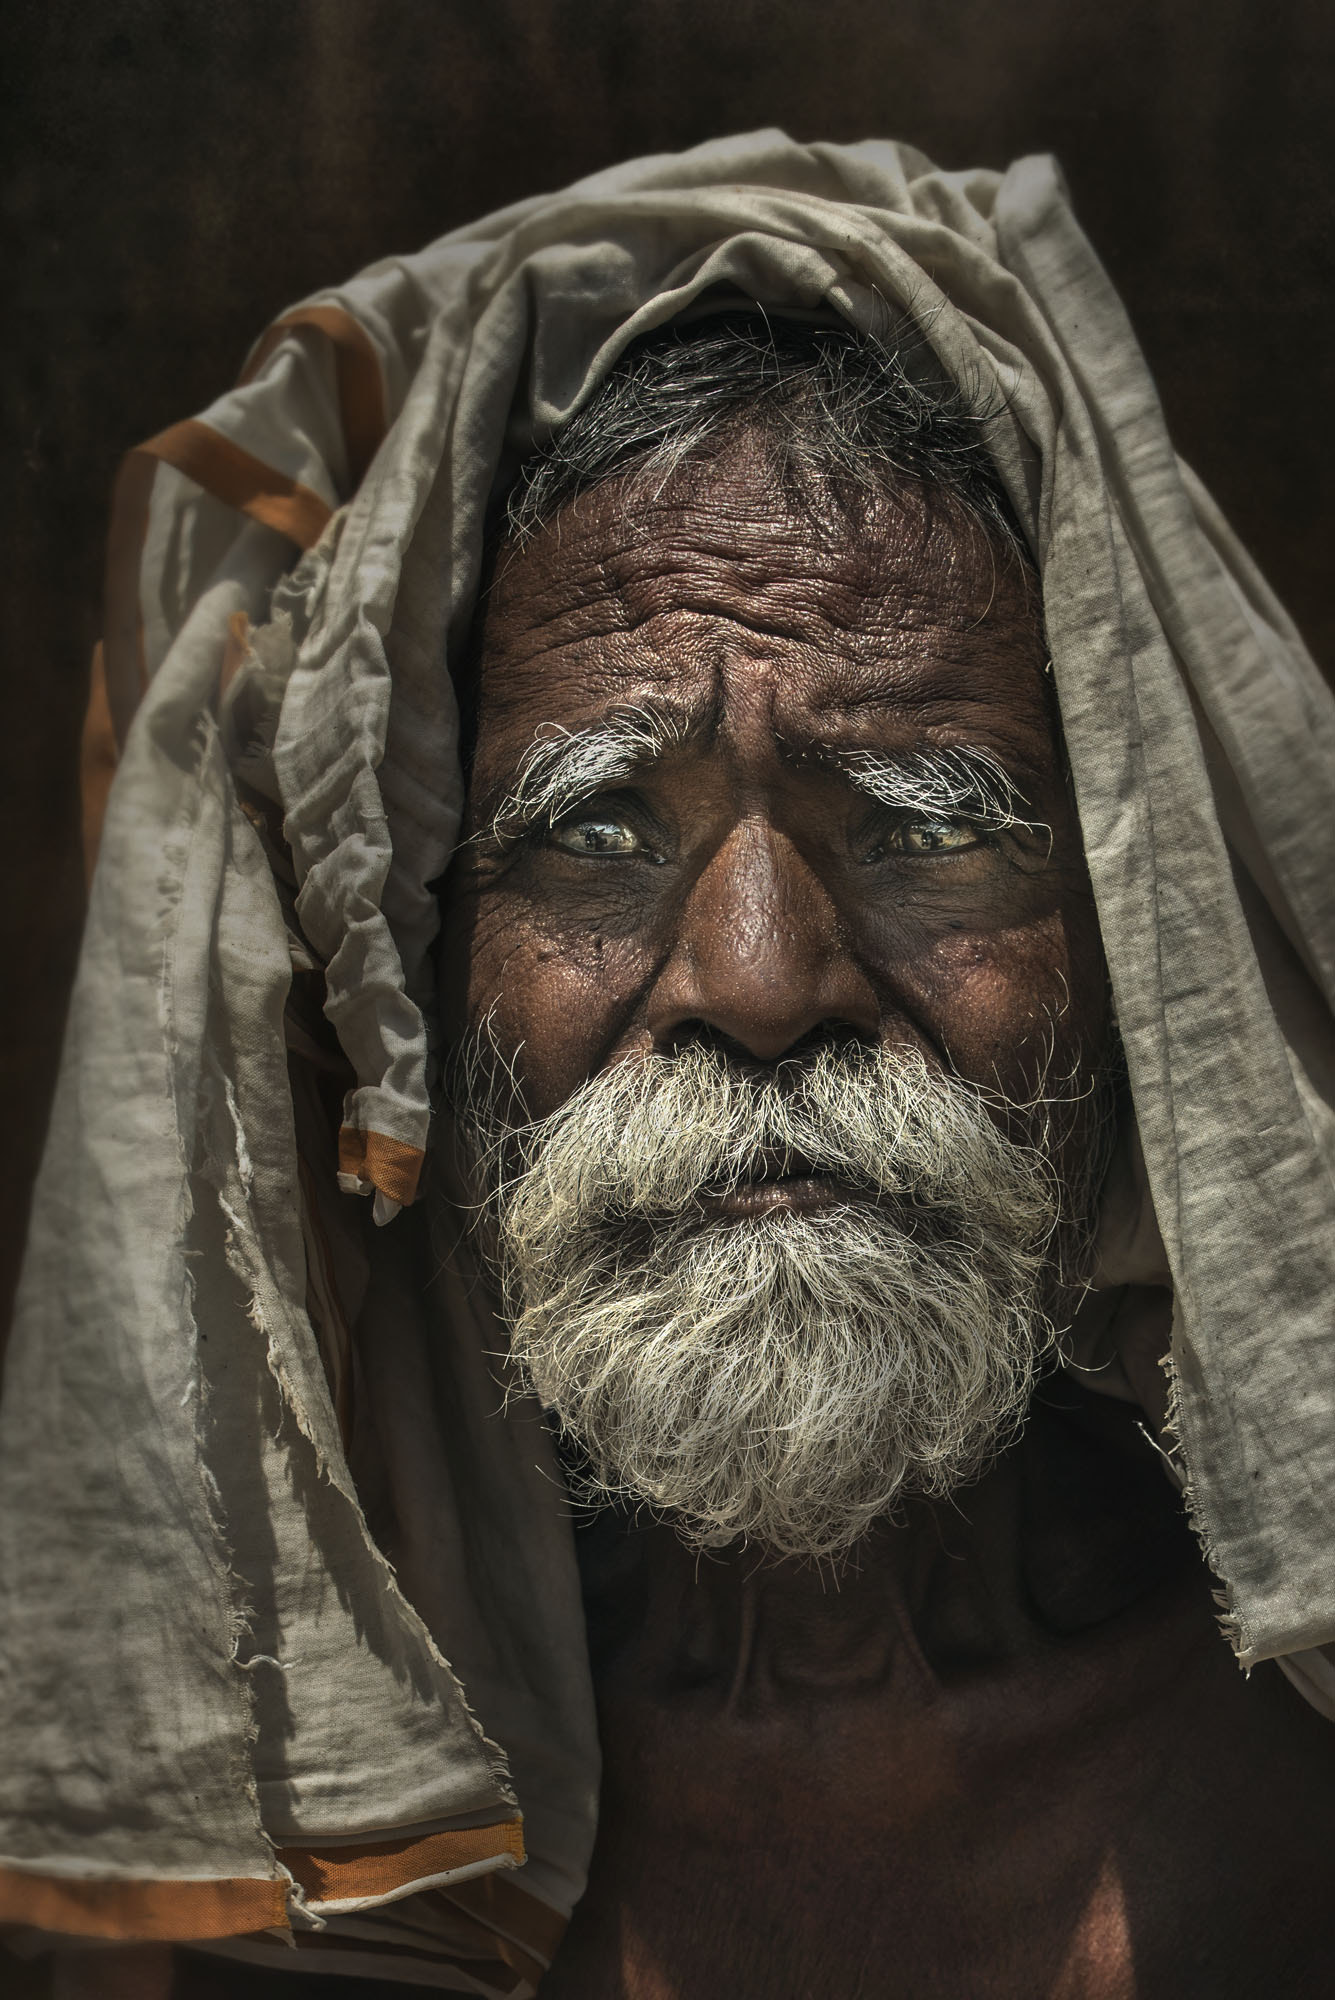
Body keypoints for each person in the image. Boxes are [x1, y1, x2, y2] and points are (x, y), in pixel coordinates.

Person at [3, 132, 1334, 1998]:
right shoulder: (295, 1873)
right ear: (401, 974)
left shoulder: (1292, 1763)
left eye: (929, 819)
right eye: (596, 834)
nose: (764, 983)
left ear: (1139, 937)